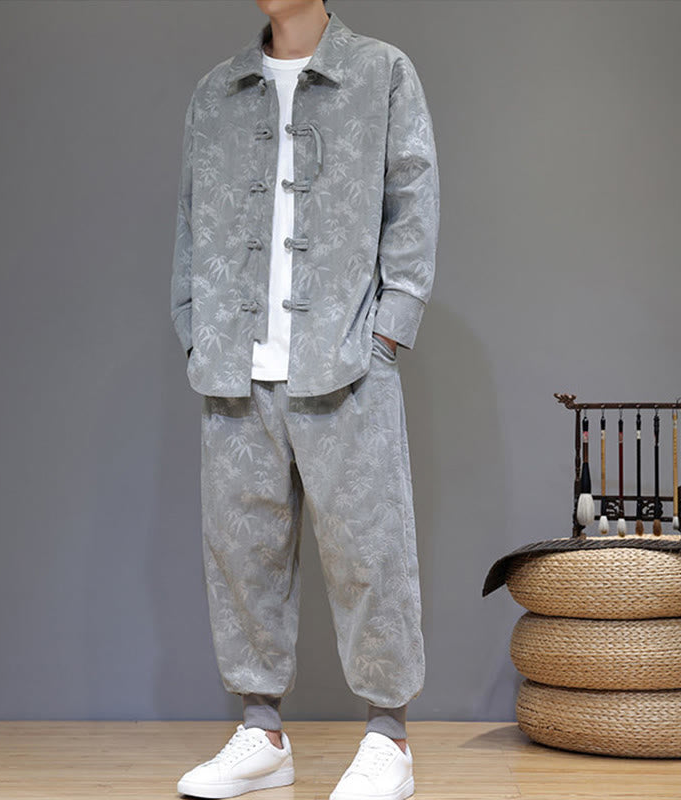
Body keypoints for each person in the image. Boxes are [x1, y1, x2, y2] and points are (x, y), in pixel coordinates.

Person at [170, 1, 439, 798]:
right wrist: (195, 330)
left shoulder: (382, 72)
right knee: (241, 555)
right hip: (234, 364)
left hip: (347, 359)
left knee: (369, 553)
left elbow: (413, 197)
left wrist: (389, 331)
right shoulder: (217, 91)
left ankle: (389, 739)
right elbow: (189, 218)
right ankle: (262, 734)